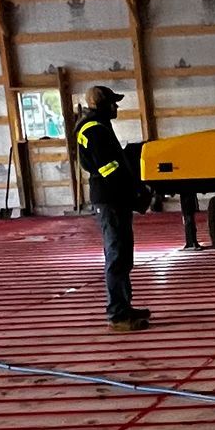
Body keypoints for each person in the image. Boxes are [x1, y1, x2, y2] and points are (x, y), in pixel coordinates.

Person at [73, 83, 150, 330]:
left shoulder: (98, 126)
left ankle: (123, 306)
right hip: (111, 198)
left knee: (122, 254)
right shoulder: (95, 129)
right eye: (113, 103)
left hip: (113, 197)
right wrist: (135, 193)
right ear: (103, 104)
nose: (116, 107)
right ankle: (117, 315)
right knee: (117, 255)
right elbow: (110, 170)